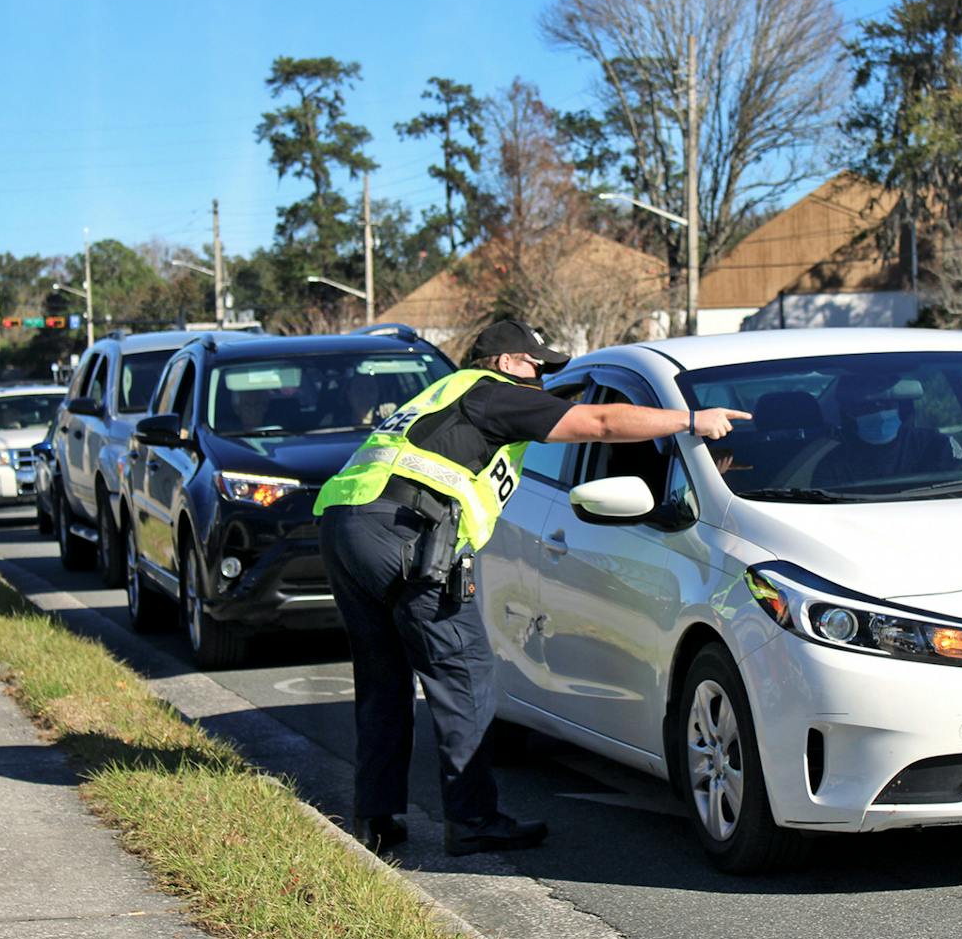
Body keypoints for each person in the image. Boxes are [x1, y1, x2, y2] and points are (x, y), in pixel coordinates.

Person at [314, 319, 749, 856]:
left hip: (347, 527)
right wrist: (691, 419)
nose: (541, 379)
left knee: (383, 679)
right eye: (535, 365)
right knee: (466, 676)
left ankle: (375, 818)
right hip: (406, 533)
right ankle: (472, 821)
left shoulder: (442, 394)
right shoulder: (494, 393)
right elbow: (602, 421)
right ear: (504, 361)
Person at [812, 372, 962, 487]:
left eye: (887, 404)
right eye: (867, 407)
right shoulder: (833, 464)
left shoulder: (936, 445)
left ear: (902, 408)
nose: (879, 413)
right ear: (849, 414)